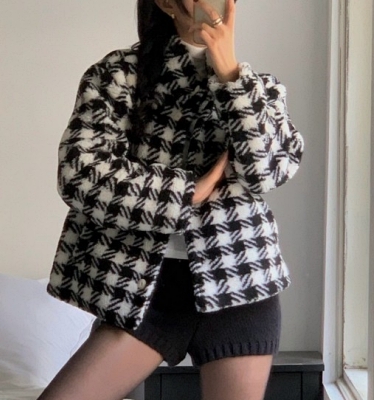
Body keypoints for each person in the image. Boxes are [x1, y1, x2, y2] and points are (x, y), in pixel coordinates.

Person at [39, 0, 304, 399]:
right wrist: (182, 193)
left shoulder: (260, 89)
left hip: (240, 282)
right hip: (145, 285)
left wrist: (230, 75)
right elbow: (79, 172)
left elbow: (266, 172)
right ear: (165, 3)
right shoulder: (119, 74)